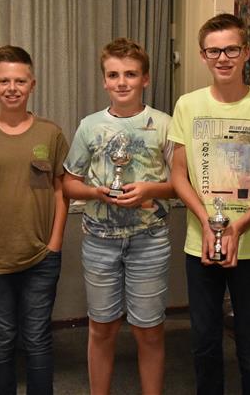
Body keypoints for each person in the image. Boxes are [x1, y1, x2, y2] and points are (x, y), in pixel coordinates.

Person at [168, 13, 250, 395]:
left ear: (246, 52)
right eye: (214, 51)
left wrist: (237, 227)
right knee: (204, 344)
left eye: (231, 49)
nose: (223, 58)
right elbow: (177, 174)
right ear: (202, 55)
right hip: (201, 243)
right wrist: (207, 222)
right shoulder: (187, 105)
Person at [0, 45, 69, 395]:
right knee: (1, 341)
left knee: (37, 339)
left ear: (32, 84)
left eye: (20, 81)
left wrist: (55, 244)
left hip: (41, 256)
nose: (12, 88)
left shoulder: (50, 134)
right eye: (4, 81)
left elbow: (61, 191)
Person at [62, 38, 175, 395]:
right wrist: (97, 192)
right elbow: (69, 183)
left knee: (149, 330)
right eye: (113, 75)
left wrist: (149, 190)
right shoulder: (89, 126)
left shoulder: (164, 124)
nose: (122, 82)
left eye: (130, 74)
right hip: (99, 241)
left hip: (149, 240)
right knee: (101, 328)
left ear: (146, 79)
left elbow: (181, 184)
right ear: (104, 81)